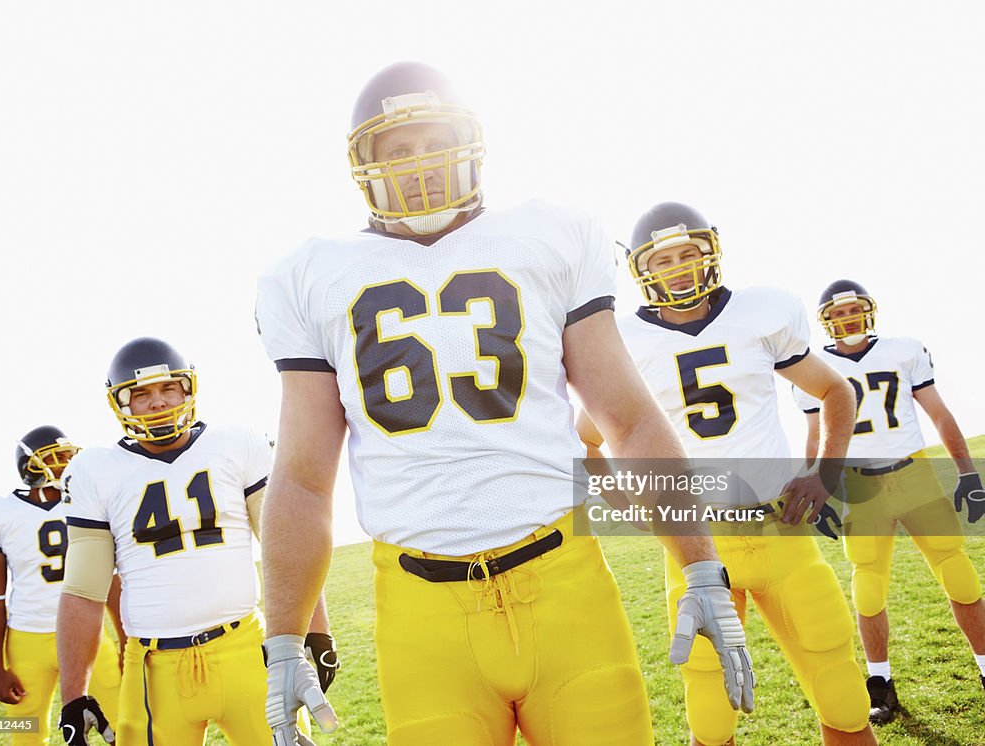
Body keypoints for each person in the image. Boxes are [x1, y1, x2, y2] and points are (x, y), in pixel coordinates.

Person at [255, 62, 754, 746]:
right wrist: (283, 639)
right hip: (420, 612)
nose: (421, 165)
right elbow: (304, 478)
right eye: (398, 150)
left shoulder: (550, 233)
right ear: (364, 165)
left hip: (566, 584)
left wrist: (701, 565)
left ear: (471, 141)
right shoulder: (307, 276)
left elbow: (629, 418)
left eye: (435, 141)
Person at [577, 202, 876, 745]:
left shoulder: (763, 312)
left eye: (688, 254)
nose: (679, 268)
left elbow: (837, 391)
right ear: (643, 271)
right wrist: (633, 507)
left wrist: (822, 476)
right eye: (664, 260)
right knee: (710, 716)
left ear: (711, 252)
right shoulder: (625, 342)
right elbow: (590, 439)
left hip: (780, 532)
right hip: (699, 545)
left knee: (844, 699)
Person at [54, 337, 337, 746]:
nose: (158, 403)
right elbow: (83, 591)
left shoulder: (236, 444)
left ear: (188, 388)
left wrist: (314, 633)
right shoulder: (95, 471)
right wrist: (73, 696)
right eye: (141, 394)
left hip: (245, 647)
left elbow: (289, 547)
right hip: (154, 667)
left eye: (168, 388)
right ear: (120, 404)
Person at [795, 279, 985, 724]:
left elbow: (939, 413)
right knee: (867, 585)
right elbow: (814, 437)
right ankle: (881, 686)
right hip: (860, 489)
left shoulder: (904, 348)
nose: (847, 318)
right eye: (837, 313)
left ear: (869, 310)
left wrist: (969, 473)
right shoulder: (813, 367)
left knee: (959, 575)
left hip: (913, 473)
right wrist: (815, 490)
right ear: (826, 321)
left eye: (853, 309)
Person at [0, 425, 122, 746]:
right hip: (28, 640)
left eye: (69, 456)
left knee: (123, 724)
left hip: (88, 633)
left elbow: (110, 579)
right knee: (27, 734)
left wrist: (124, 638)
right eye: (57, 457)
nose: (67, 463)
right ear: (30, 466)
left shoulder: (90, 504)